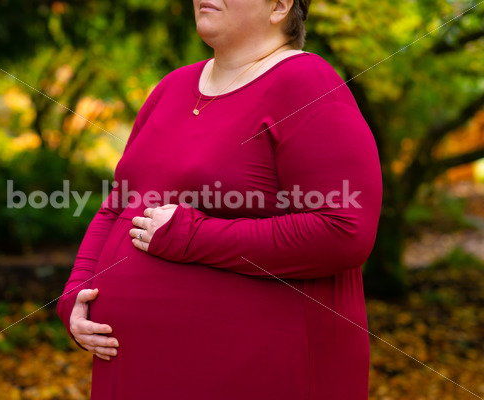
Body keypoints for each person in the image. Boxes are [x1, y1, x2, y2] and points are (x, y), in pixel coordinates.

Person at [56, 0, 382, 399]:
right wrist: (77, 291)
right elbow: (120, 203)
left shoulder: (308, 85)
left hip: (256, 374)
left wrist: (195, 237)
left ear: (280, 6)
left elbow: (344, 230)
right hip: (134, 371)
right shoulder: (173, 86)